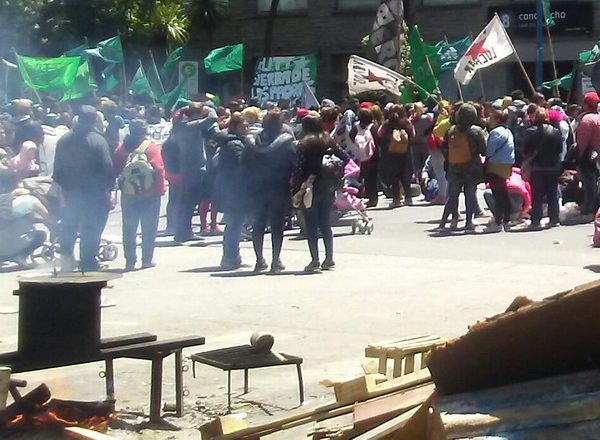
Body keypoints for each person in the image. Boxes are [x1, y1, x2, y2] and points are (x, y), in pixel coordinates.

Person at [53, 105, 114, 271]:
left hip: (71, 192)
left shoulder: (64, 140)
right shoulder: (98, 141)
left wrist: (64, 187)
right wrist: (108, 188)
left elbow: (57, 170)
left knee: (69, 225)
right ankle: (88, 261)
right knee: (92, 226)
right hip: (94, 193)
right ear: (95, 120)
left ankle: (66, 261)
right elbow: (107, 167)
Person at [244, 108, 296, 273]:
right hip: (278, 187)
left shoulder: (254, 141)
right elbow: (293, 163)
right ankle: (275, 261)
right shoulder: (285, 142)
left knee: (258, 224)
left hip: (257, 187)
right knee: (277, 225)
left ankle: (259, 260)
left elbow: (244, 162)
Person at [292, 119, 347, 272]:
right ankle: (329, 258)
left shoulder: (303, 144)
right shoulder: (329, 141)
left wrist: (296, 190)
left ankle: (315, 259)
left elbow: (299, 168)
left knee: (311, 224)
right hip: (328, 186)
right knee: (325, 223)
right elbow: (345, 157)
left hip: (309, 186)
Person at [113, 119, 165, 271]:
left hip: (129, 193)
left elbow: (116, 170)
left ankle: (130, 261)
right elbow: (159, 169)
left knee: (129, 228)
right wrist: (160, 189)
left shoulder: (122, 148)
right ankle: (146, 259)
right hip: (150, 193)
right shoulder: (150, 147)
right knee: (149, 227)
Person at [173, 102, 218, 243]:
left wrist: (183, 110)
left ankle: (182, 231)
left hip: (187, 167)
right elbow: (212, 118)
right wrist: (209, 108)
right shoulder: (191, 126)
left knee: (187, 202)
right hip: (194, 168)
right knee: (189, 202)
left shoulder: (180, 125)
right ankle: (184, 232)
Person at [438, 103, 487, 232]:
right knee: (470, 193)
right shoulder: (476, 131)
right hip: (471, 167)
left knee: (453, 195)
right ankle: (469, 222)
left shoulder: (451, 130)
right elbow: (483, 150)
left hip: (453, 167)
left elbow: (443, 148)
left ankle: (447, 221)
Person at [213, 113, 250, 270]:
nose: (247, 128)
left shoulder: (234, 142)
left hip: (232, 188)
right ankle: (230, 257)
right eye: (244, 126)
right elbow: (243, 164)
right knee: (234, 224)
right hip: (234, 190)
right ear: (235, 127)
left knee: (234, 224)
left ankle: (232, 255)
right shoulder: (234, 144)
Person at [523, 107, 563, 229]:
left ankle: (536, 220)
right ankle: (554, 218)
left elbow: (525, 149)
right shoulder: (556, 131)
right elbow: (560, 149)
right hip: (552, 167)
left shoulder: (530, 131)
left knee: (537, 194)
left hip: (537, 167)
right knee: (552, 194)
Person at [483, 109, 515, 233]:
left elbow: (489, 151)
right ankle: (507, 219)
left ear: (497, 119)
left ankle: (498, 222)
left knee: (498, 195)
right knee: (503, 193)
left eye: (491, 118)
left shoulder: (496, 132)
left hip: (496, 166)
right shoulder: (508, 131)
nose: (489, 120)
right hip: (506, 165)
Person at [379, 105, 415, 209]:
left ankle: (396, 199)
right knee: (405, 175)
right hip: (405, 152)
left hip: (391, 153)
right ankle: (408, 198)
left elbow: (379, 134)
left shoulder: (387, 123)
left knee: (394, 176)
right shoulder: (406, 122)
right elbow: (413, 134)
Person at [575, 92, 600, 216]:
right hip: (597, 157)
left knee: (589, 185)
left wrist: (578, 157)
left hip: (589, 159)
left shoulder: (587, 119)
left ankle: (589, 209)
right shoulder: (598, 117)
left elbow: (582, 142)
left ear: (585, 104)